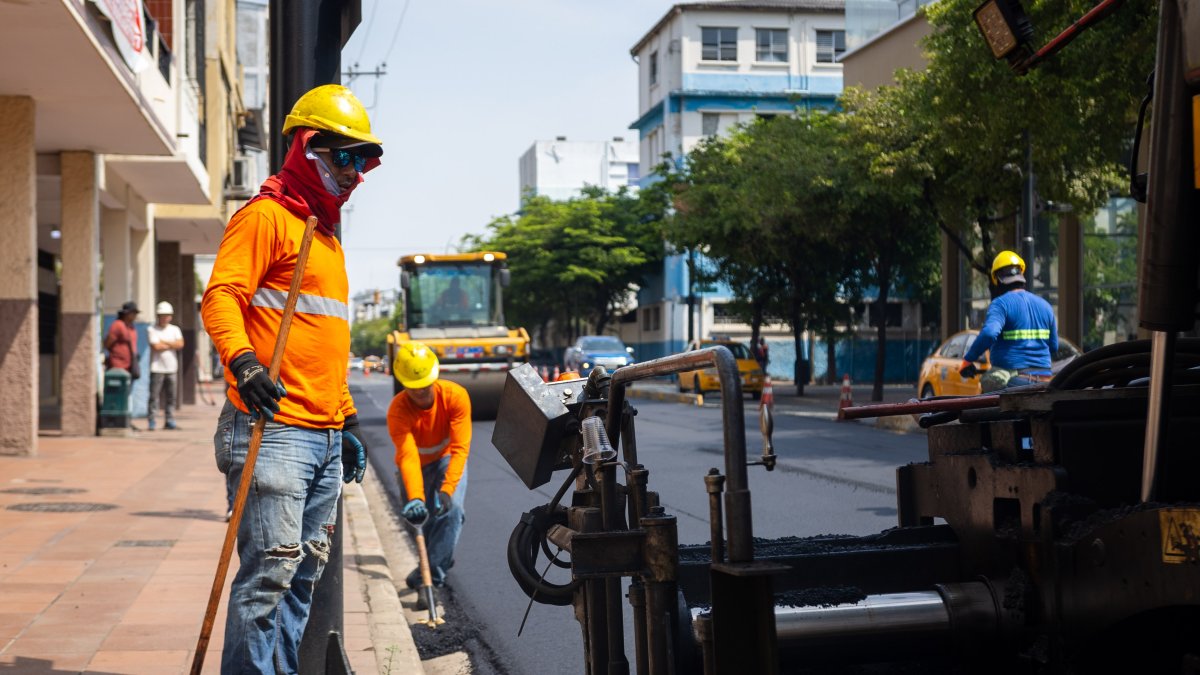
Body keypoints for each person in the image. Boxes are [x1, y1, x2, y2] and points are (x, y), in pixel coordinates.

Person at [201, 84, 379, 675]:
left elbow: (324, 346)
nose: (355, 173)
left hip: (321, 436)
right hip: (272, 430)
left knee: (302, 578)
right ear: (307, 148)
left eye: (363, 160)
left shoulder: (326, 240)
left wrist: (345, 420)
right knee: (267, 579)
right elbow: (221, 296)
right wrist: (243, 362)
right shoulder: (266, 218)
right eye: (344, 157)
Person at [387, 341, 472, 592]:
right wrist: (416, 498)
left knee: (452, 510)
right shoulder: (398, 411)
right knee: (419, 520)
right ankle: (439, 558)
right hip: (416, 467)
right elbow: (408, 455)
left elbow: (460, 449)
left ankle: (431, 578)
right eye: (415, 386)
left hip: (447, 458)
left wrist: (446, 491)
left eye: (425, 383)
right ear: (403, 383)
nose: (422, 390)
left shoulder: (455, 397)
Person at [960, 251, 1059, 392]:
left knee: (988, 384)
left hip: (1015, 382)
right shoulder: (1046, 306)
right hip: (1044, 381)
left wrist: (968, 360)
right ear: (1021, 275)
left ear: (997, 280)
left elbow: (989, 333)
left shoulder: (1000, 304)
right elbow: (1054, 347)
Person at [146, 301, 184, 430]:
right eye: (162, 315)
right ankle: (152, 420)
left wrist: (164, 342)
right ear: (158, 315)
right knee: (154, 396)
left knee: (171, 397)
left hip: (172, 368)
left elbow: (180, 344)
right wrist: (171, 344)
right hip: (157, 368)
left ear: (170, 316)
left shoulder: (175, 329)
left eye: (167, 315)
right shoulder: (152, 329)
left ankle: (170, 420)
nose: (164, 317)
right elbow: (156, 346)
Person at [104, 301, 141, 428]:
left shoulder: (131, 327)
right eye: (134, 313)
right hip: (118, 366)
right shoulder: (117, 325)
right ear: (127, 314)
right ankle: (116, 421)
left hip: (129, 367)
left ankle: (127, 421)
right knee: (117, 395)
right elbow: (108, 343)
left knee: (128, 395)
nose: (135, 316)